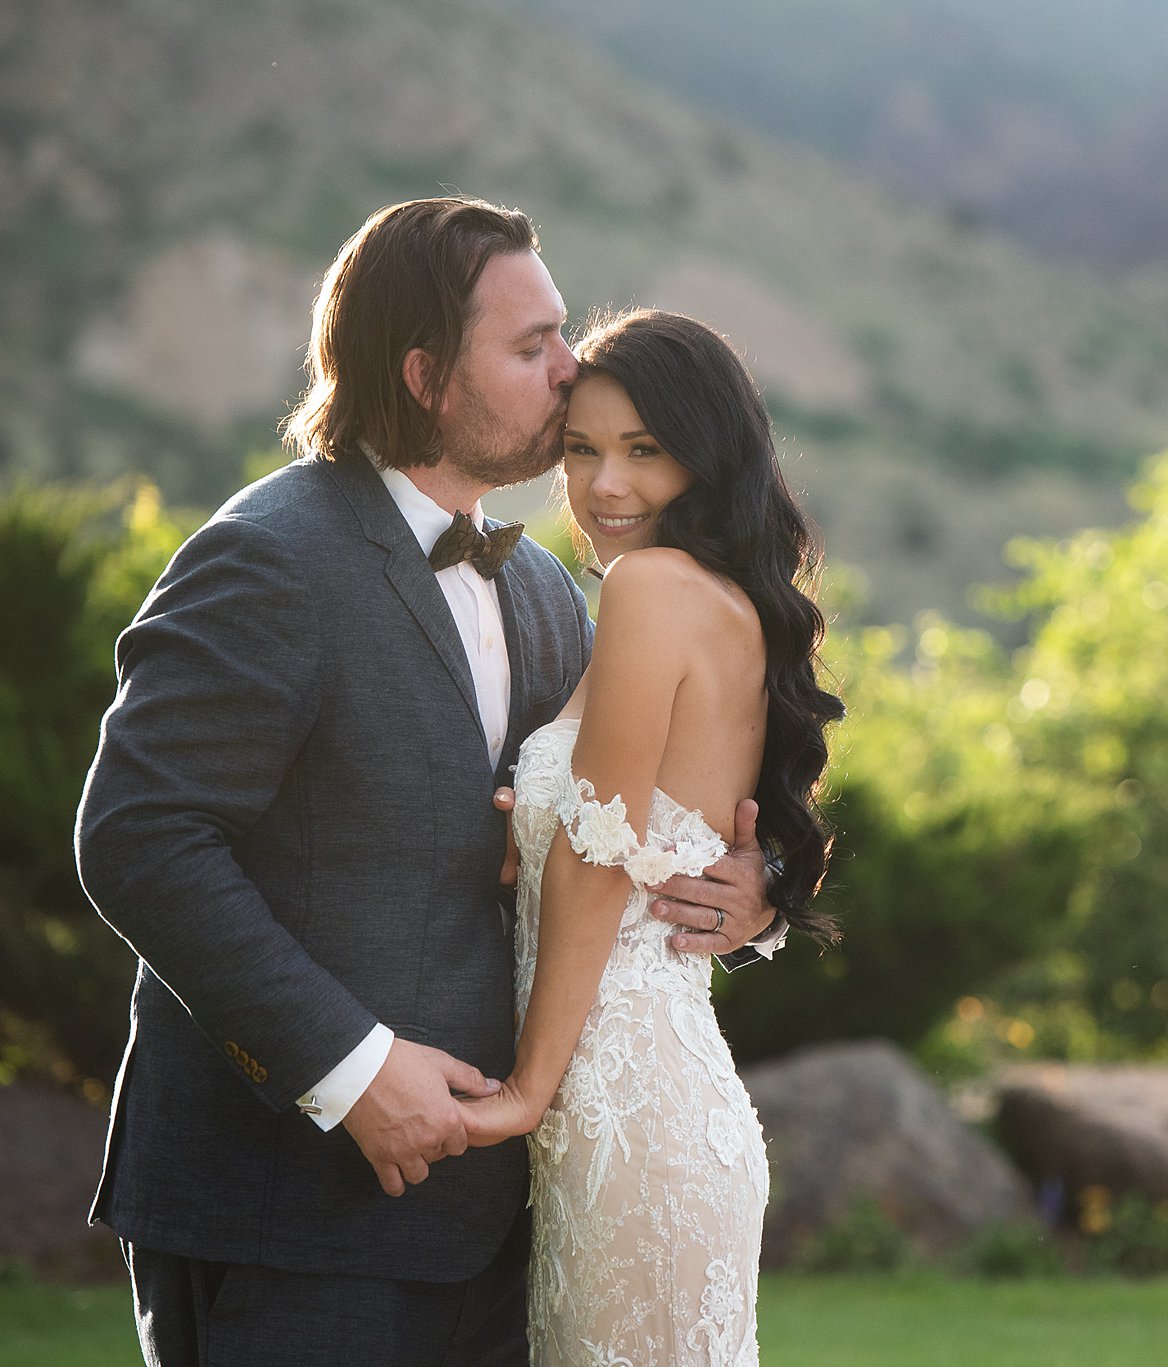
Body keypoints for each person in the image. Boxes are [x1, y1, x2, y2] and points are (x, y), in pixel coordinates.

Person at [74, 197, 781, 1366]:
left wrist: (741, 889)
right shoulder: (268, 554)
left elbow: (608, 824)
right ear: (423, 374)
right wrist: (345, 1071)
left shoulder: (552, 593)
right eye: (529, 346)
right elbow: (140, 838)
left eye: (561, 333)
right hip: (295, 1219)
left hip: (510, 1218)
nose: (570, 371)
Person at [459, 308, 841, 1366]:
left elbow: (597, 850)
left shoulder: (650, 588)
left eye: (644, 452)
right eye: (580, 450)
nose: (604, 488)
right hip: (637, 1103)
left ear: (707, 459)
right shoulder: (710, 598)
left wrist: (529, 1088)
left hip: (621, 1106)